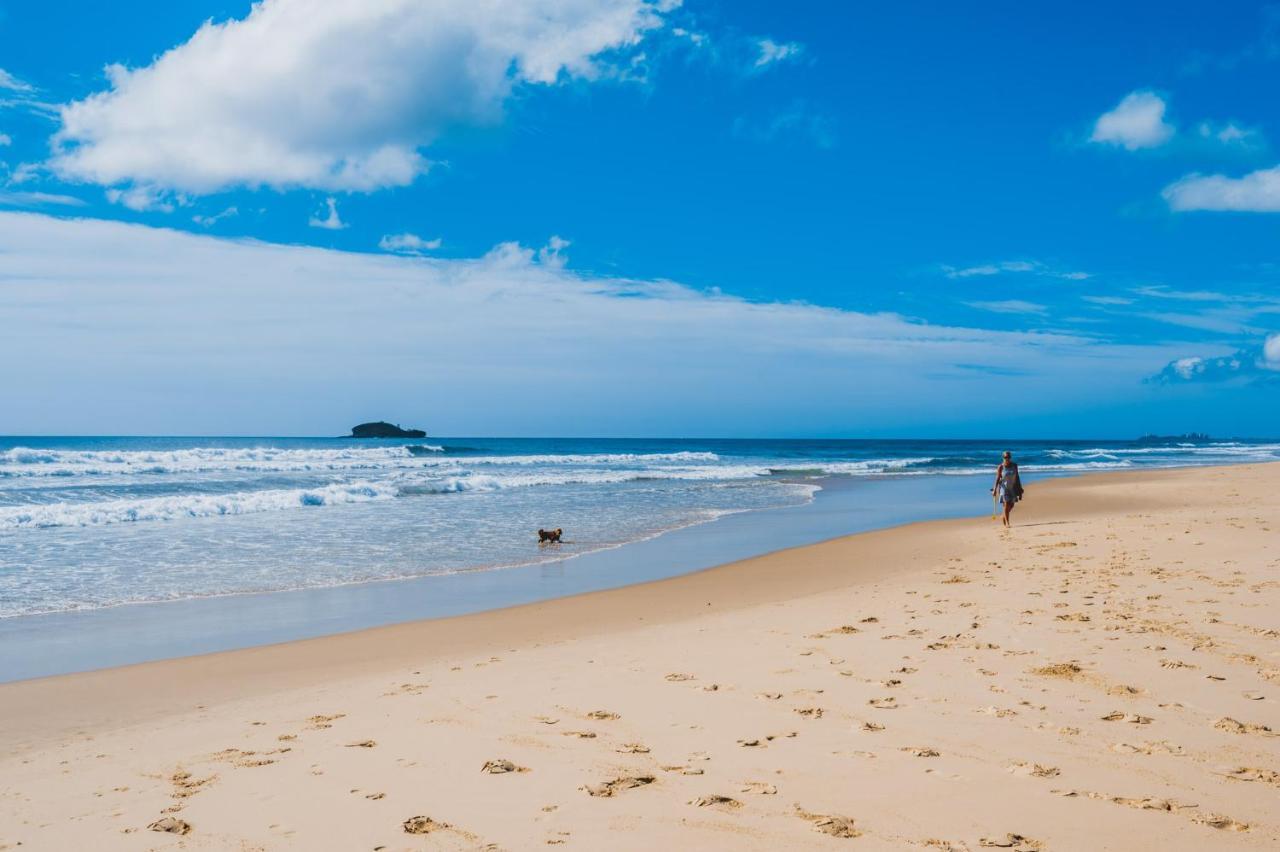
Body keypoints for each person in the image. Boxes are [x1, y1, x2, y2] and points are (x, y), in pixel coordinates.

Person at [991, 450, 1023, 527]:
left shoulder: (1015, 465)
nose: (1007, 458)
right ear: (1003, 458)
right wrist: (994, 489)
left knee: (1012, 505)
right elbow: (997, 478)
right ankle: (1007, 523)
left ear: (1010, 458)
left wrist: (1020, 488)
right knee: (1006, 504)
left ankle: (1003, 516)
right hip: (1004, 488)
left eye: (1008, 457)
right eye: (1005, 457)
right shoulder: (1001, 467)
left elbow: (1017, 477)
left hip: (1012, 488)